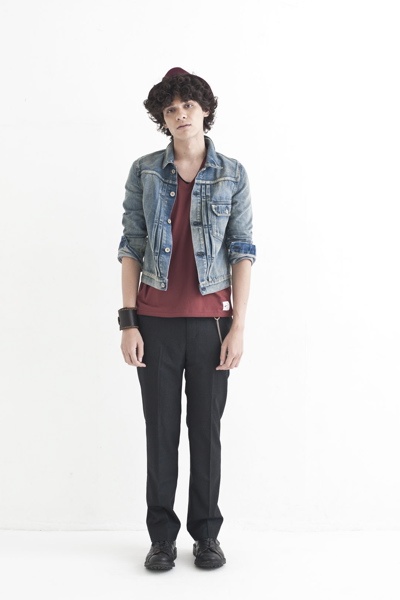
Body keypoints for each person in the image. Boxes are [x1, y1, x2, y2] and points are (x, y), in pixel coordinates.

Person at [117, 67, 256, 571]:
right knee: (161, 432)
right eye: (170, 109)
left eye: (188, 106)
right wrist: (128, 321)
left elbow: (242, 251)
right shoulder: (145, 171)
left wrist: (238, 326)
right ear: (163, 118)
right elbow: (131, 245)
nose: (180, 115)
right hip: (154, 324)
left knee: (205, 432)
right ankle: (161, 538)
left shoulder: (232, 173)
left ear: (205, 110)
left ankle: (207, 535)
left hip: (212, 325)